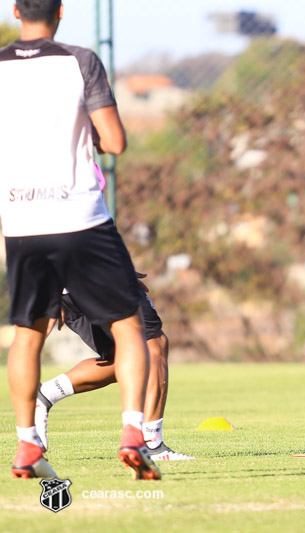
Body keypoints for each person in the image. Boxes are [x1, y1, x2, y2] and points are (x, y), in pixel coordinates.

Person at [0, 0, 160, 479]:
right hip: (80, 216)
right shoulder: (80, 60)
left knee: (28, 336)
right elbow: (114, 142)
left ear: (14, 11)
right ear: (61, 11)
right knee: (131, 327)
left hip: (22, 220)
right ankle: (134, 432)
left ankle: (27, 442)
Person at [36, 275, 195, 461]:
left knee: (122, 359)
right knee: (154, 344)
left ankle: (46, 394)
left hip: (69, 291)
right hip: (98, 280)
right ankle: (152, 444)